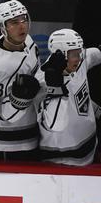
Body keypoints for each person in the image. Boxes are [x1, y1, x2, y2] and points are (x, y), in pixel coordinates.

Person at [0, 0, 41, 161]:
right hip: (5, 142)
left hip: (28, 135)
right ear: (3, 28)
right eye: (14, 22)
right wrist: (18, 99)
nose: (22, 26)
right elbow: (1, 112)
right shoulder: (0, 64)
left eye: (24, 19)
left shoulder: (28, 42)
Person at [37, 29, 101, 166]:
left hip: (90, 150)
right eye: (74, 54)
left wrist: (96, 110)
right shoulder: (42, 83)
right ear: (60, 54)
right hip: (62, 162)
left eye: (80, 52)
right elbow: (56, 124)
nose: (79, 58)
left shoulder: (78, 61)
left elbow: (95, 54)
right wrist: (56, 89)